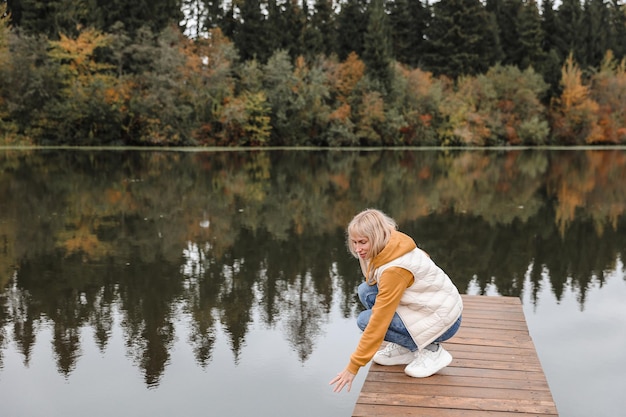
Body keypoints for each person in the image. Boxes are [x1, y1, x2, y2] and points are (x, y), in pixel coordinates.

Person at [329, 208, 463, 393]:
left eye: (362, 242)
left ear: (376, 237)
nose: (357, 248)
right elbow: (424, 257)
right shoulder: (391, 240)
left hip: (444, 320)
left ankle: (431, 351)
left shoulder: (394, 270)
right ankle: (405, 348)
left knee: (366, 321)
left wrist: (353, 367)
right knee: (366, 291)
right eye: (354, 242)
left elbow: (379, 321)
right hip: (437, 307)